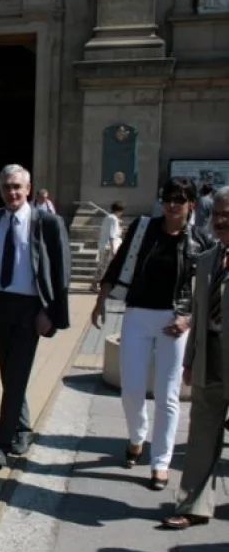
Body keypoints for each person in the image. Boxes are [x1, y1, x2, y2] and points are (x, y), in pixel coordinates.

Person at [92, 177, 212, 490]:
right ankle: (136, 437)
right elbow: (118, 265)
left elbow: (208, 290)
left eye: (180, 199)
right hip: (138, 315)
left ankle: (161, 462)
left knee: (167, 396)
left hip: (175, 322)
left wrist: (188, 319)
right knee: (131, 390)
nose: (172, 205)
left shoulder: (200, 239)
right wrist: (100, 300)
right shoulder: (143, 230)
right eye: (168, 198)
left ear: (191, 205)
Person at [0, 164, 71, 470]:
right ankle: (23, 428)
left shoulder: (49, 223)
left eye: (17, 187)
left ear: (29, 189)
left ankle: (0, 444)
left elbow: (60, 272)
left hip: (30, 309)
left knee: (15, 376)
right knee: (9, 374)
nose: (12, 193)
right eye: (6, 187)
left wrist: (49, 312)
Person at [167, 187, 229, 529]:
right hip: (210, 359)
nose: (220, 221)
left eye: (227, 214)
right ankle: (193, 504)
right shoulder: (207, 260)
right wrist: (190, 360)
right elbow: (199, 315)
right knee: (202, 436)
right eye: (216, 214)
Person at [92, 201, 124, 292]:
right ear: (120, 210)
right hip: (108, 246)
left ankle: (96, 283)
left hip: (105, 245)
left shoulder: (108, 218)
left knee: (103, 265)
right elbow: (112, 235)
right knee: (104, 265)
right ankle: (95, 284)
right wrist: (113, 249)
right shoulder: (113, 219)